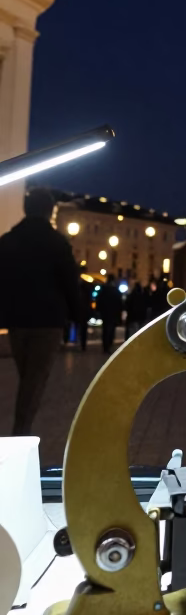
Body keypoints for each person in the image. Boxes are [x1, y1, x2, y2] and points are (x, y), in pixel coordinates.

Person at [0, 187, 82, 436]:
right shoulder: (57, 243)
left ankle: (21, 429)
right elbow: (70, 283)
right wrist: (79, 318)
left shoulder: (7, 241)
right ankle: (20, 433)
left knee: (28, 374)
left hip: (16, 320)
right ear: (49, 211)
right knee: (34, 379)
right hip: (48, 321)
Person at [96, 273, 122, 356]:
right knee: (111, 330)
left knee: (105, 329)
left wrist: (99, 310)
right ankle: (109, 345)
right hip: (113, 313)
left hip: (106, 313)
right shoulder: (116, 291)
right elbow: (120, 304)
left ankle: (105, 346)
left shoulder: (104, 290)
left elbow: (99, 301)